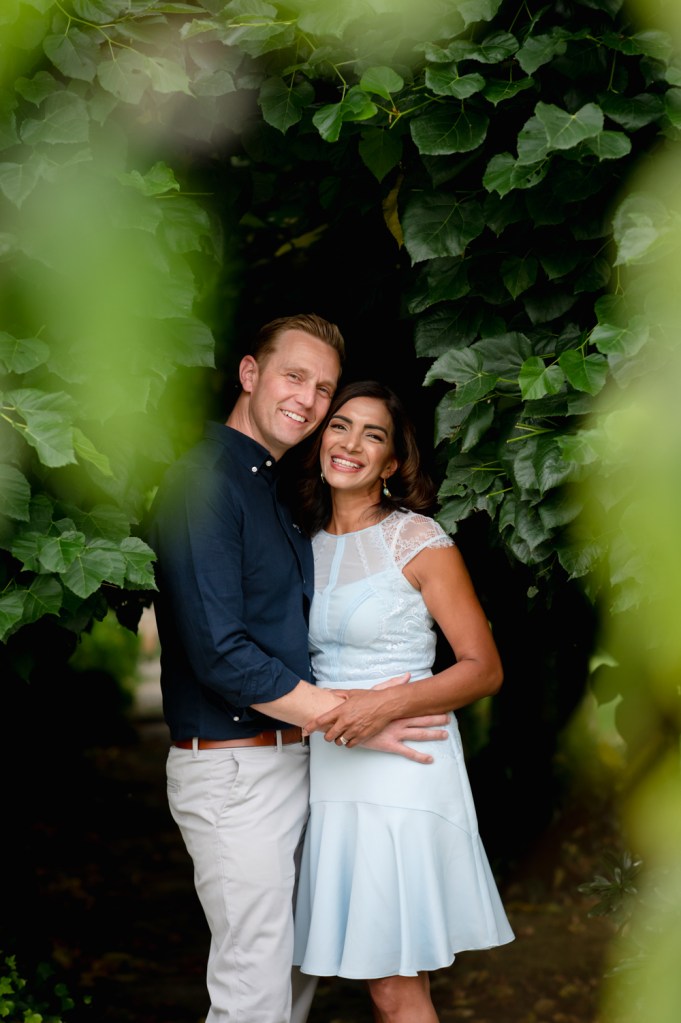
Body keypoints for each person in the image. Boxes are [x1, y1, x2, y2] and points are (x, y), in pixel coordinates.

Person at [145, 315, 449, 1023]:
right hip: (232, 774)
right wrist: (350, 715)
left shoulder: (270, 488)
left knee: (288, 983)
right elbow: (219, 651)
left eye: (323, 387)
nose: (308, 400)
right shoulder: (202, 482)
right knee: (253, 990)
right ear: (250, 374)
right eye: (293, 376)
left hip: (290, 760)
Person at [291, 380, 515, 1022]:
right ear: (320, 440)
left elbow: (484, 669)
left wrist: (382, 707)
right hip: (332, 768)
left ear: (391, 464)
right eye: (340, 426)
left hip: (404, 768)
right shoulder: (300, 542)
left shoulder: (417, 540)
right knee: (373, 980)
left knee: (393, 985)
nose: (351, 443)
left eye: (374, 435)